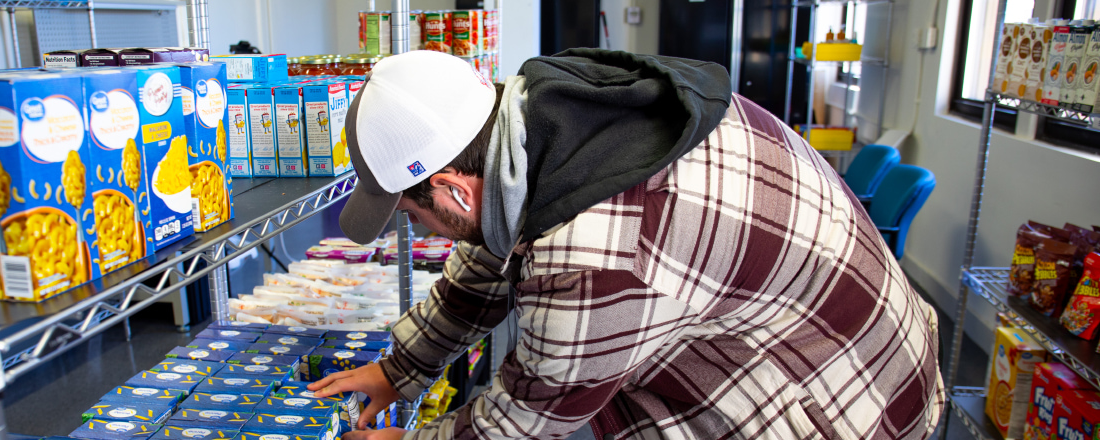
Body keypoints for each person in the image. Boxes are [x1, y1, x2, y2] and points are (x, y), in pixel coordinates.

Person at [310, 49, 944, 440]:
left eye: (414, 216)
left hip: (848, 404)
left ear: (454, 191)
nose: (418, 233)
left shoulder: (594, 254)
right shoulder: (540, 112)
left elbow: (529, 418)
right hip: (832, 333)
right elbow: (488, 253)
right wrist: (399, 370)